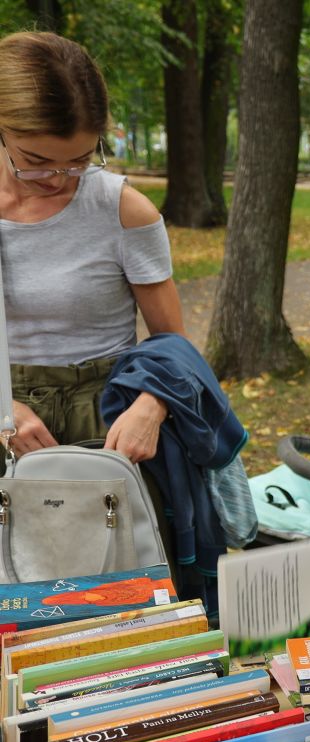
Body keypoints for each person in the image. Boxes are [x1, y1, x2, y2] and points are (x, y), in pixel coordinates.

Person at [0, 31, 184, 462]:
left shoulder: (123, 210)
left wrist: (151, 406)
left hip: (105, 425)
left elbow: (174, 343)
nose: (59, 178)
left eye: (81, 160)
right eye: (36, 161)